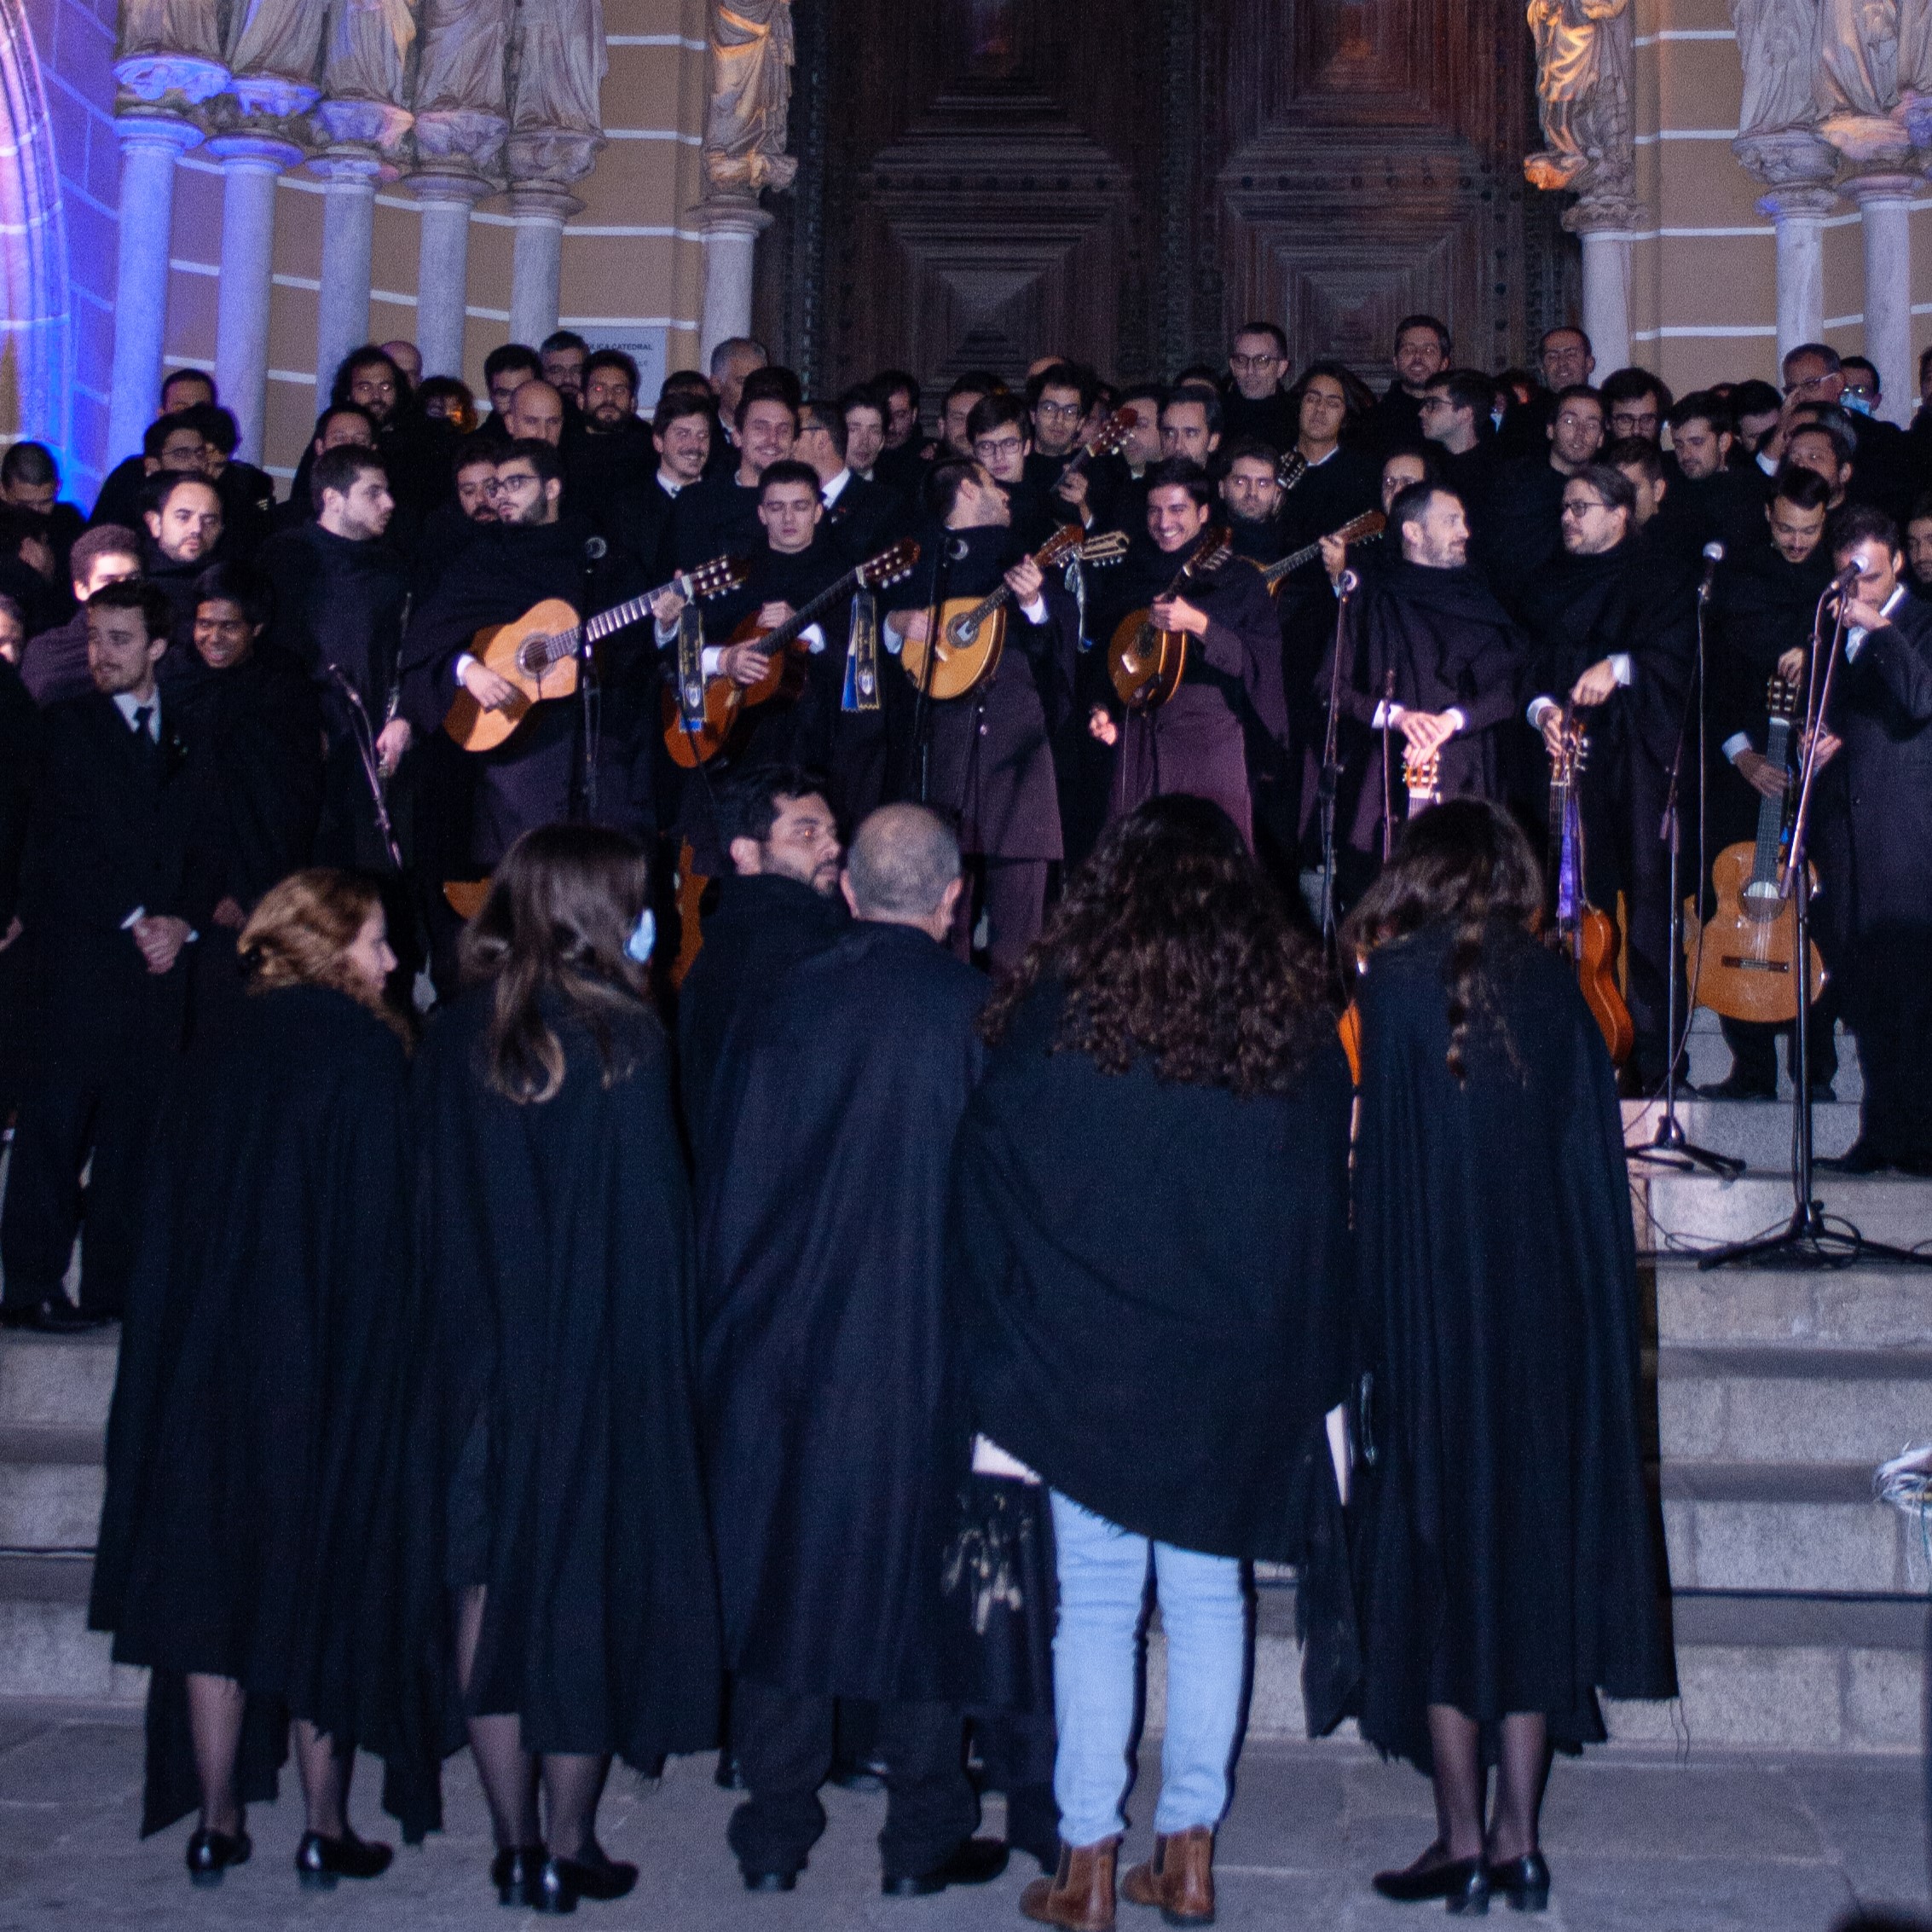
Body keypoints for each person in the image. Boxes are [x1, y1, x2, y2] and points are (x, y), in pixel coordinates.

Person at [953, 795, 1352, 1931]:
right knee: (1208, 1596)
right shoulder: (1288, 1023)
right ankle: (1188, 1853)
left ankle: (1085, 1864)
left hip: (1088, 1362)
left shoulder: (1059, 1012)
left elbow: (991, 1171)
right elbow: (1316, 1199)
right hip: (1227, 1363)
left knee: (1093, 1605)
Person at [1343, 800, 1675, 1915]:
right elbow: (1592, 1189)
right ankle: (1517, 1841)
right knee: (1525, 1580)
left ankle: (1456, 1842)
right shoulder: (1555, 988)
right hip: (1542, 1340)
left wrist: (1372, 1328)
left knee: (1443, 1579)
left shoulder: (1389, 987)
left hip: (1434, 1336)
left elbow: (1378, 1184)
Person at [697, 803, 1008, 1900]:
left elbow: (734, 1177)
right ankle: (923, 1829)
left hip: (790, 1335)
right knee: (927, 1587)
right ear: (951, 897)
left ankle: (774, 1827)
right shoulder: (979, 1015)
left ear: (845, 888)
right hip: (927, 1339)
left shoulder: (782, 1005)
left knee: (790, 1567)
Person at [408, 824, 721, 1910]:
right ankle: (571, 1840)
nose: (658, 915)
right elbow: (655, 1236)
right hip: (593, 1370)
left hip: (477, 1368)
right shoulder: (624, 1039)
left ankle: (511, 1840)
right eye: (640, 899)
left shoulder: (456, 1035)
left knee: (487, 1586)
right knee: (581, 1596)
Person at [88, 870, 418, 1883]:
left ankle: (217, 1815)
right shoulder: (366, 1053)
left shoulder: (216, 1046)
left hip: (209, 1365)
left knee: (211, 1589)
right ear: (327, 947)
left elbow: (164, 1216)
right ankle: (325, 1821)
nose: (393, 962)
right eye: (373, 942)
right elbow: (387, 1236)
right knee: (323, 1586)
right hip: (322, 1366)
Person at [1, 579, 214, 1332]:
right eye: (95, 638)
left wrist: (182, 922)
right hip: (78, 964)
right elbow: (58, 849)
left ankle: (114, 1286)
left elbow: (208, 847)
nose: (101, 654)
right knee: (55, 1130)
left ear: (159, 646)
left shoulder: (193, 729)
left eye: (120, 640)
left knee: (136, 1133)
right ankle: (30, 1283)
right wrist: (138, 920)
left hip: (158, 973)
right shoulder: (64, 728)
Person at [1523, 461, 1699, 1090]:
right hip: (1565, 767)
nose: (1567, 518)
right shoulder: (1546, 582)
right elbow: (1527, 661)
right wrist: (1541, 709)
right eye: (1564, 507)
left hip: (1640, 761)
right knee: (1571, 908)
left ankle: (1655, 1061)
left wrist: (1619, 667)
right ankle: (1580, 1047)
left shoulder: (1660, 576)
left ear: (1621, 514)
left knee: (1649, 910)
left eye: (1581, 508)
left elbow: (1681, 659)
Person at [400, 440, 651, 868]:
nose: (501, 497)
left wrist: (659, 623)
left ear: (552, 488)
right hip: (516, 748)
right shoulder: (481, 557)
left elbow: (636, 649)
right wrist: (466, 670)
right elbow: (427, 635)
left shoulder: (600, 556)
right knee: (521, 878)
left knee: (600, 872)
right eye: (496, 487)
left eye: (516, 483)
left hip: (594, 742)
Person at [885, 457, 1075, 972]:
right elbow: (884, 630)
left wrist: (1036, 604)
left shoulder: (1025, 551)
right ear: (967, 489)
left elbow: (1057, 642)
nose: (1008, 495)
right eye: (994, 485)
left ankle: (1016, 1022)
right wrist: (899, 622)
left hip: (1016, 743)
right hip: (946, 739)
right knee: (947, 894)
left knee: (1021, 902)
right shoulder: (919, 555)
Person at [1702, 466, 1839, 1100]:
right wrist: (1742, 756)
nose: (1795, 541)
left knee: (1815, 912)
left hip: (1823, 775)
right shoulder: (1737, 579)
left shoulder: (1839, 582)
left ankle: (1814, 1070)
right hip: (1747, 769)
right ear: (1767, 515)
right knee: (1741, 902)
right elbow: (1717, 680)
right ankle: (1749, 1067)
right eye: (1785, 527)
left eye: (1808, 530)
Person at [1808, 508, 1932, 1174]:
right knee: (1866, 988)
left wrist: (1879, 627)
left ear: (1898, 566)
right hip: (1849, 831)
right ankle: (1880, 1133)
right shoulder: (1834, 632)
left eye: (1872, 579)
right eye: (1848, 580)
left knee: (1913, 989)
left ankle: (1919, 1137)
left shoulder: (1917, 622)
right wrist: (1820, 742)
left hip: (1908, 833)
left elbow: (1920, 698)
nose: (1858, 593)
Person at [1324, 482, 1531, 865]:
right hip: (1382, 779)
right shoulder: (1372, 599)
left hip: (1467, 777)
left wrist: (1451, 721)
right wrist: (1398, 717)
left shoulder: (1479, 597)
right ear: (1413, 532)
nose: (1464, 532)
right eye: (1451, 521)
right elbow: (1331, 687)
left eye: (1464, 521)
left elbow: (1508, 687)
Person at [1088, 458, 1286, 847]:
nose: (1164, 523)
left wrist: (1197, 623)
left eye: (1177, 509)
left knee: (1209, 869)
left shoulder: (1239, 579)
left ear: (1204, 513)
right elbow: (1106, 656)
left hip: (1207, 743)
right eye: (1155, 510)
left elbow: (1258, 664)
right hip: (1138, 740)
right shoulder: (1130, 573)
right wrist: (1102, 708)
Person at [169, 564, 325, 1033]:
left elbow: (285, 805)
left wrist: (238, 890)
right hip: (181, 890)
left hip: (252, 890)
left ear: (256, 628)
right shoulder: (176, 682)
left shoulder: (283, 694)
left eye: (229, 626)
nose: (213, 637)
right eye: (204, 623)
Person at [257, 445, 412, 876]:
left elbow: (406, 653)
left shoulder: (393, 569)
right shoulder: (286, 557)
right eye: (374, 492)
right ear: (332, 498)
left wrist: (403, 718)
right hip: (305, 743)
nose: (389, 503)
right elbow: (274, 654)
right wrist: (305, 723)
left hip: (371, 748)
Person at [675, 765, 847, 1144]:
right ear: (746, 853)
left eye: (833, 834)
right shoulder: (810, 956)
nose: (833, 848)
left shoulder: (714, 955)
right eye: (807, 833)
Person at [18, 523, 142, 706]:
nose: (124, 590)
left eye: (133, 579)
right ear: (81, 589)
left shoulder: (161, 643)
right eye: (109, 581)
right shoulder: (48, 653)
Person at [1367, 315, 1452, 454]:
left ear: (1444, 363)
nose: (1418, 357)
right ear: (1396, 362)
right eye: (1409, 350)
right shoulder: (1373, 421)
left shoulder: (1457, 416)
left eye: (1429, 350)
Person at [1223, 321, 1297, 450]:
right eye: (1241, 360)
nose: (1250, 371)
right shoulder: (1216, 416)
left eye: (1261, 360)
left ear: (1281, 367)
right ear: (1233, 366)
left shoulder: (1297, 419)